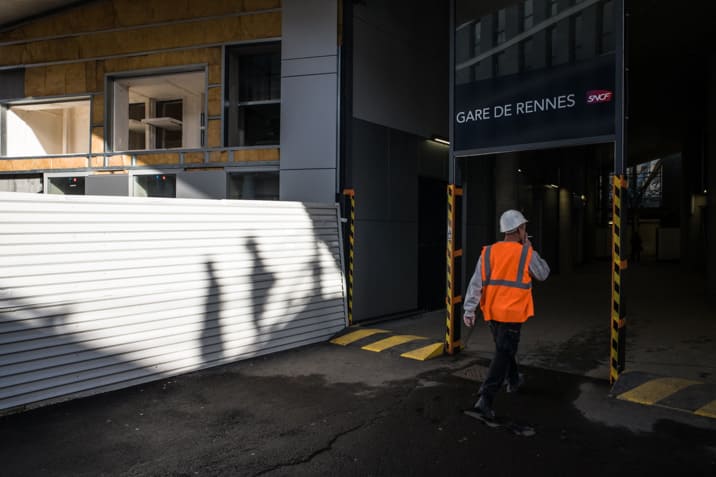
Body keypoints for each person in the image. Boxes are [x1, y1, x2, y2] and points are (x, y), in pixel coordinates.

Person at [463, 209, 550, 420]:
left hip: (491, 312)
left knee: (504, 349)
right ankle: (485, 399)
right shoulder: (525, 253)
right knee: (503, 352)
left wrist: (469, 308)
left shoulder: (488, 252)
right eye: (524, 228)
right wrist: (531, 249)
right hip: (512, 314)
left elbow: (476, 282)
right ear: (520, 229)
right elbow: (543, 274)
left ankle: (513, 380)